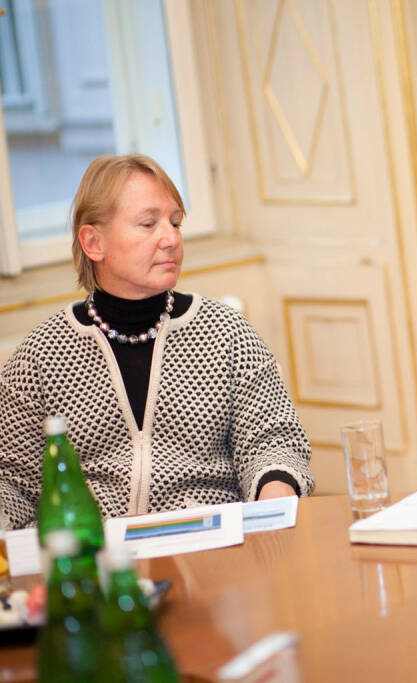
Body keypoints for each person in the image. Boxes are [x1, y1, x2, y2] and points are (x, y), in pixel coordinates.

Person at [0, 154, 313, 528]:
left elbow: (274, 443)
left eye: (176, 222)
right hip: (96, 558)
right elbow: (12, 483)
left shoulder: (227, 334)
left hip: (214, 545)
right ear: (93, 242)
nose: (171, 238)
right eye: (148, 223)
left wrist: (272, 498)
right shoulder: (41, 356)